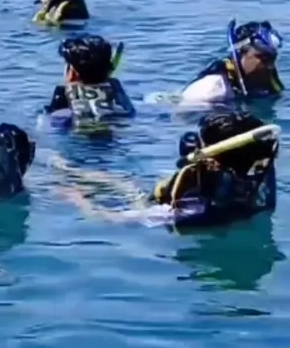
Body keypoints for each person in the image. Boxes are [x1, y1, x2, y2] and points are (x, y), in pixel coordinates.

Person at [53, 111, 279, 231]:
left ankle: (65, 170)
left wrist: (78, 200)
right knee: (124, 184)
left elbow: (107, 219)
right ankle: (68, 169)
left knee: (127, 186)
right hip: (239, 220)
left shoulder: (192, 209)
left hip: (159, 210)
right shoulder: (259, 175)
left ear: (212, 162)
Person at [181, 20, 284, 106]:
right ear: (241, 52)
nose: (270, 66)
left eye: (272, 59)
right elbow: (184, 119)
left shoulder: (265, 77)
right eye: (263, 58)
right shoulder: (209, 91)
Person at [44, 34, 134, 129]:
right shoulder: (114, 86)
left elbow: (47, 120)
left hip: (78, 130)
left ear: (73, 72)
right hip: (113, 126)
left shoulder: (63, 91)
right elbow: (129, 111)